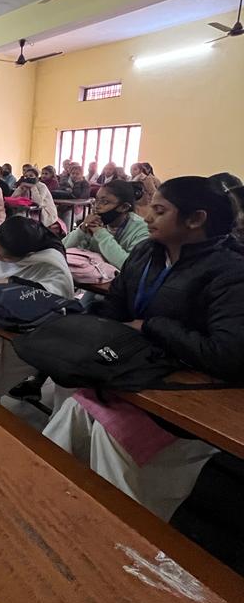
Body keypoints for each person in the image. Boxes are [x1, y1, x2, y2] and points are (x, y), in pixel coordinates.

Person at [44, 177, 244, 521]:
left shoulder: (230, 272)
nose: (147, 216)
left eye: (160, 210)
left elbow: (227, 355)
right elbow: (115, 310)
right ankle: (45, 497)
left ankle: (122, 527)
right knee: (73, 411)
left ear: (196, 219)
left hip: (190, 388)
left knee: (110, 434)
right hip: (137, 370)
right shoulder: (146, 254)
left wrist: (153, 326)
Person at [0, 217, 74, 396]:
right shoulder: (3, 239)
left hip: (28, 328)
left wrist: (12, 283)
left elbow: (56, 297)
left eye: (4, 256)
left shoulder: (50, 260)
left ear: (28, 254)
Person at [63, 180, 150, 269]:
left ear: (124, 207)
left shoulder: (142, 229)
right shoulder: (95, 222)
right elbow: (60, 249)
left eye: (104, 202)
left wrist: (100, 233)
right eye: (96, 200)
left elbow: (128, 266)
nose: (96, 206)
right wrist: (81, 230)